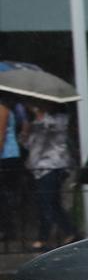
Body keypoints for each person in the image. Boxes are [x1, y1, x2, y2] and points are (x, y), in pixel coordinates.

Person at [20, 100, 78, 250]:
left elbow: (52, 135)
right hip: (38, 168)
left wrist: (40, 116)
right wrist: (26, 132)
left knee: (47, 202)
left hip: (53, 166)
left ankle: (44, 238)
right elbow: (29, 144)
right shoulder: (36, 123)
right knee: (51, 202)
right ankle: (70, 232)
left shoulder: (58, 120)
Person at [0, 97, 25, 243]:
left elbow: (1, 135)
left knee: (5, 196)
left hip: (6, 156)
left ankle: (8, 229)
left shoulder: (2, 108)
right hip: (7, 156)